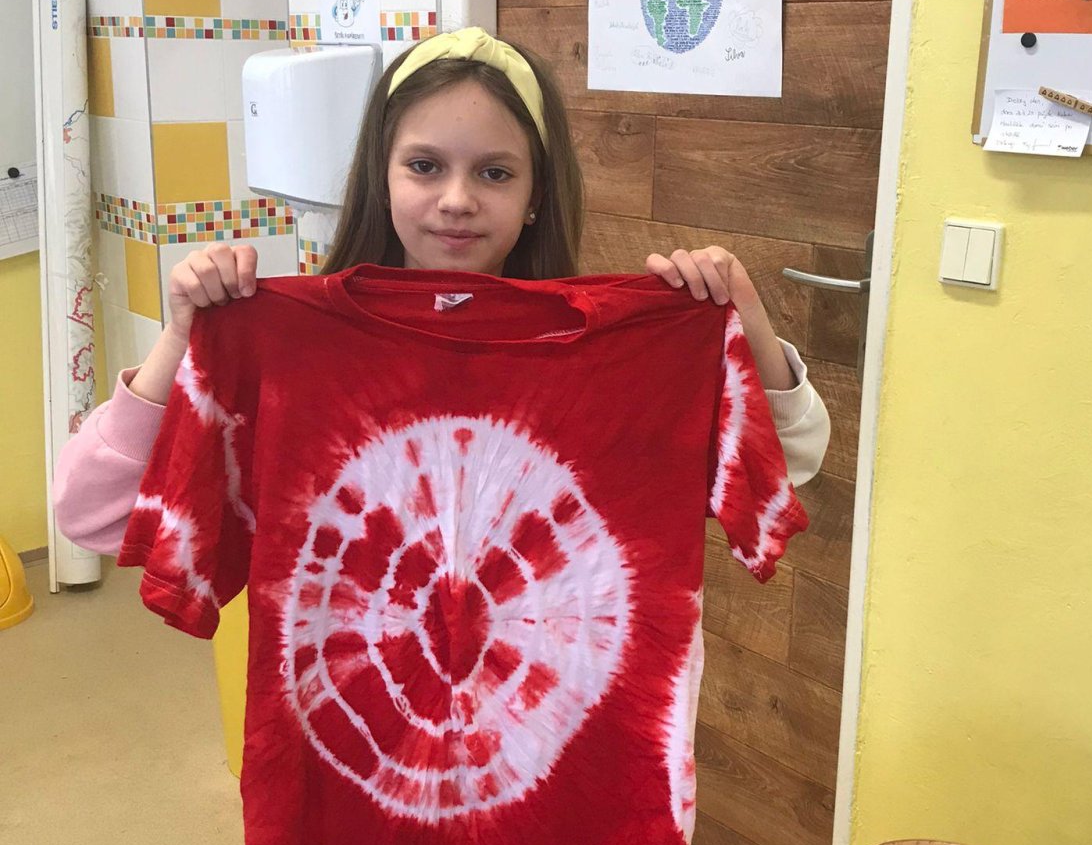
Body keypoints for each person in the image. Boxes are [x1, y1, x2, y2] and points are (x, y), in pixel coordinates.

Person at [54, 28, 829, 548]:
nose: (457, 200)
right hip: (355, 750)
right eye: (425, 166)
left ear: (535, 195)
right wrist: (184, 340)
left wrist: (741, 322)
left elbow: (784, 464)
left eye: (494, 173)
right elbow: (92, 516)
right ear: (382, 176)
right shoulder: (291, 362)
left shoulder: (610, 364)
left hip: (561, 746)